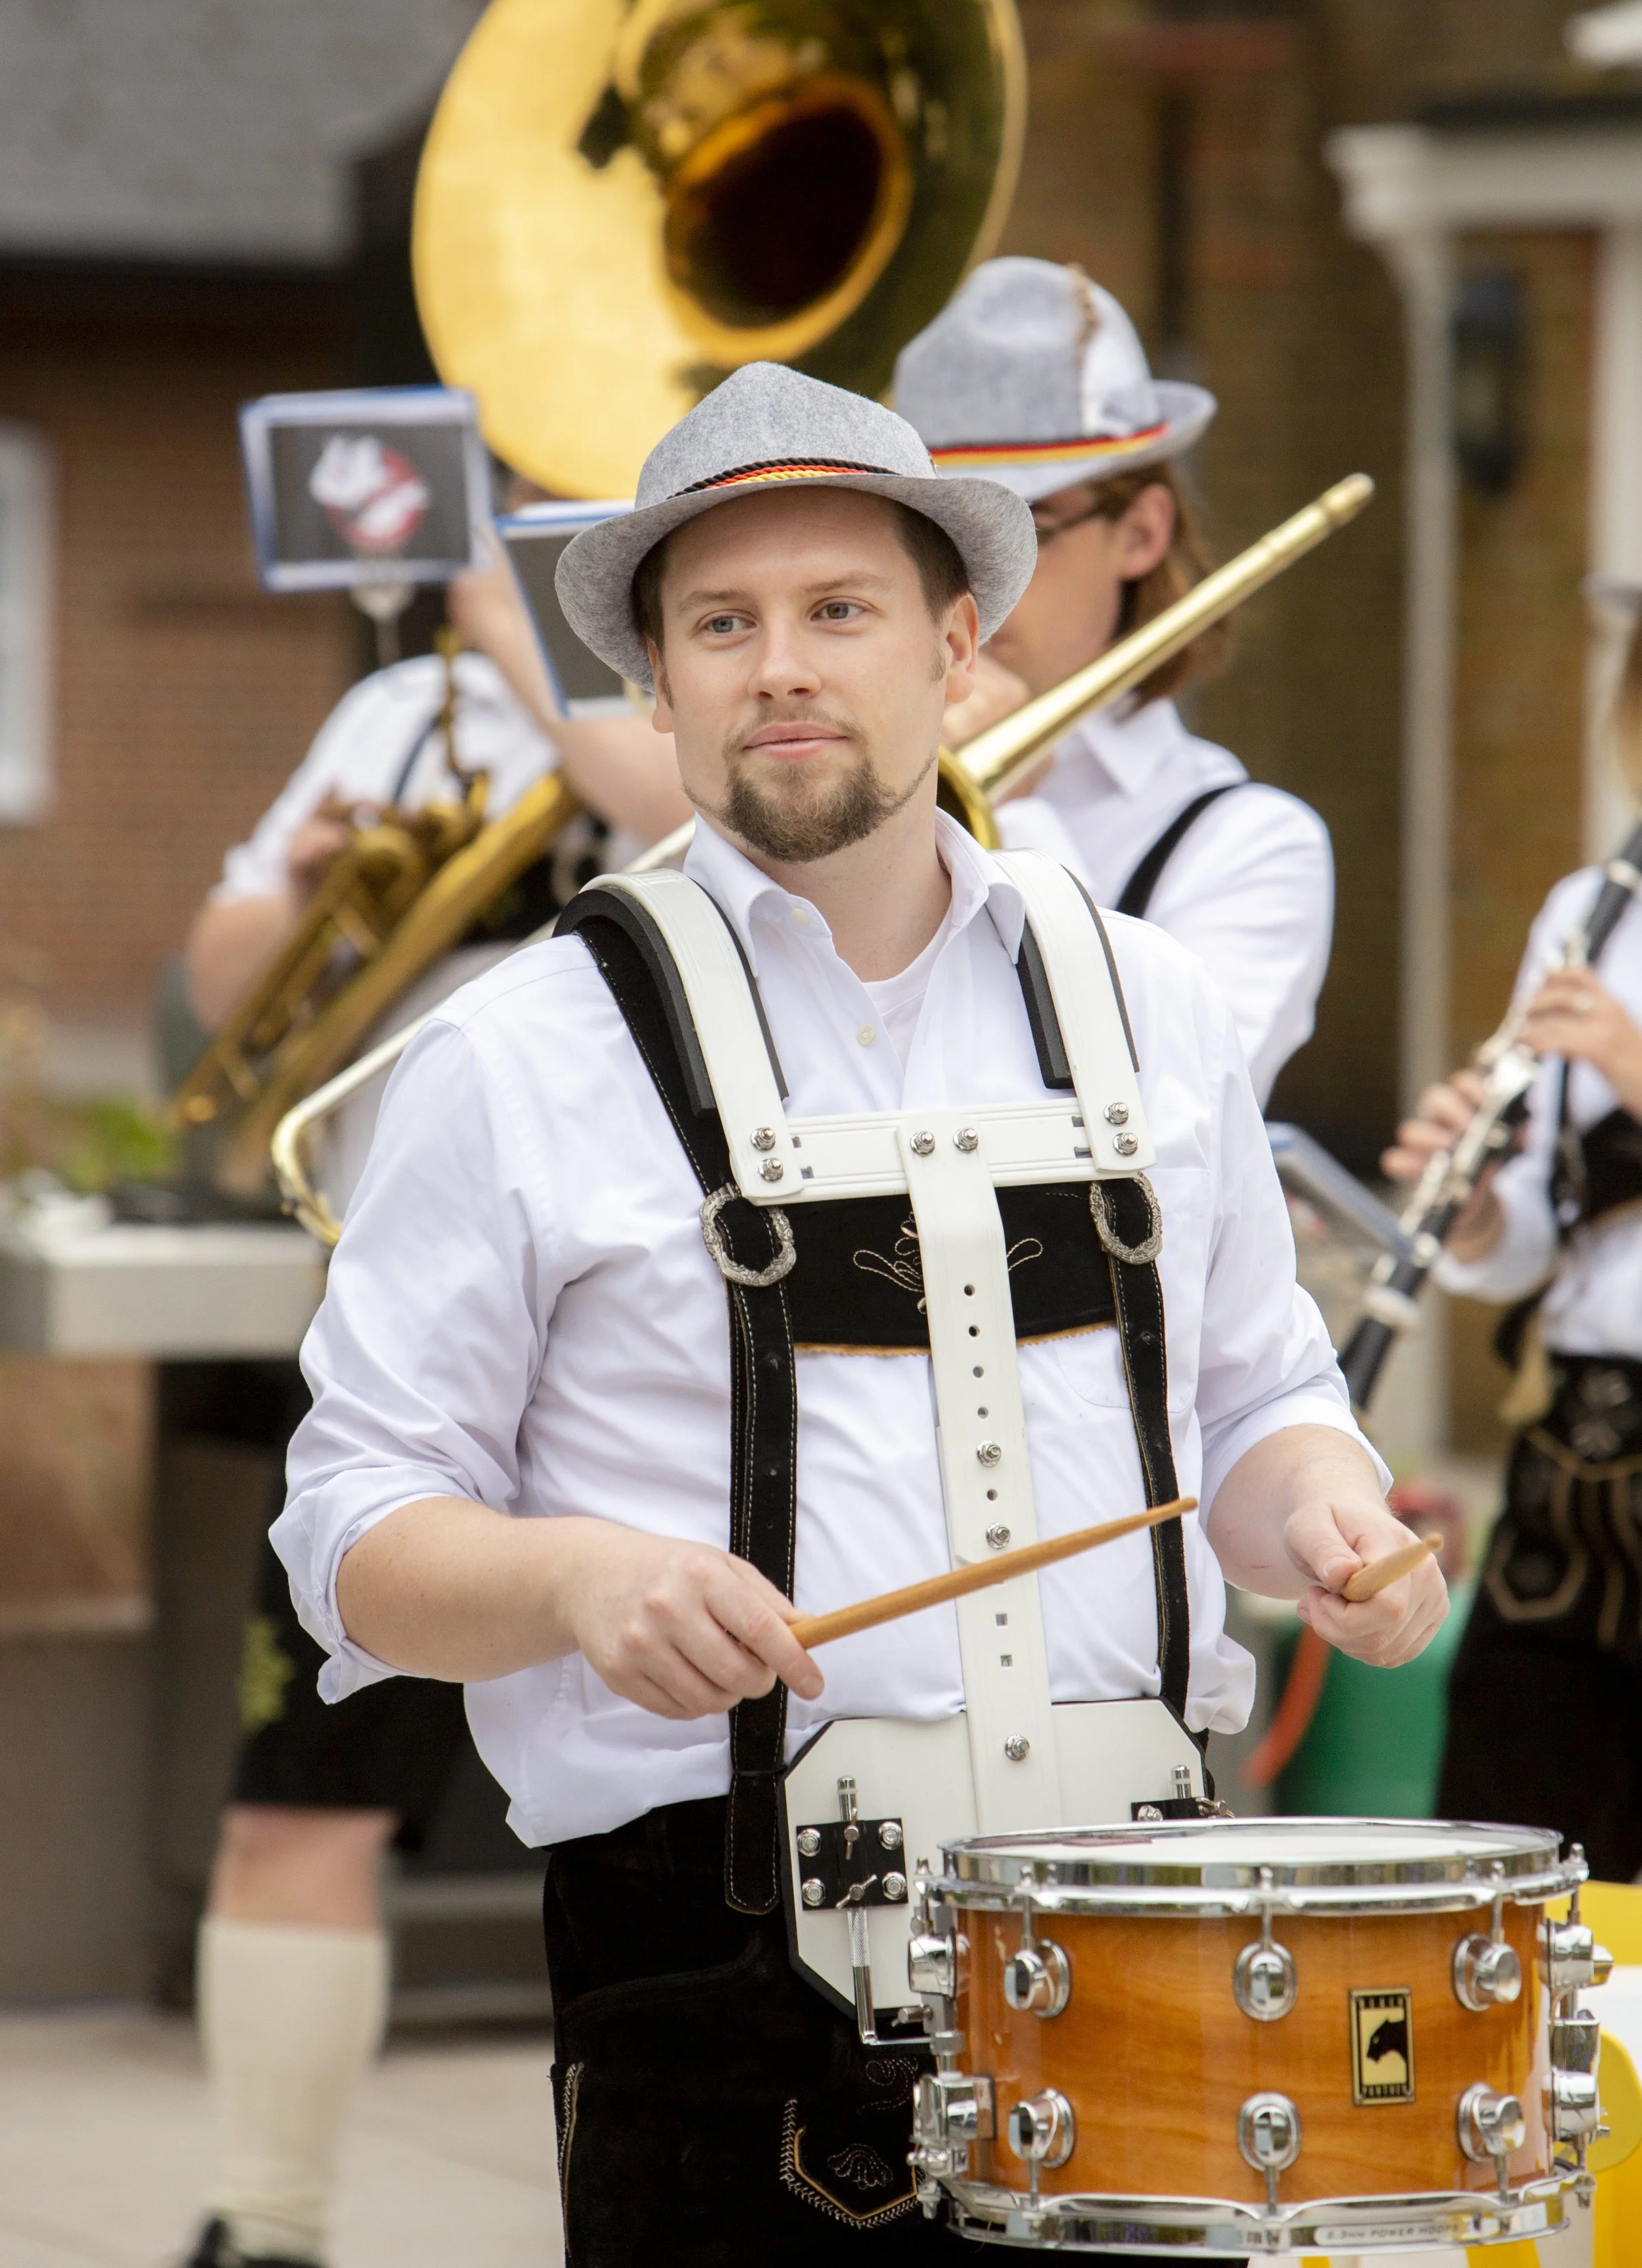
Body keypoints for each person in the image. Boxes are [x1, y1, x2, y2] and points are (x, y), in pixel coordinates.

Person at [272, 363, 1443, 2268]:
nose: (778, 665)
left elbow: (1252, 1404)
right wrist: (577, 1583)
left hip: (1141, 1931)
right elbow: (353, 1528)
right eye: (718, 624)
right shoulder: (509, 1055)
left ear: (957, 642)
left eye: (839, 610)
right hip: (713, 1990)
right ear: (653, 683)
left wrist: (1324, 1511)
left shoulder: (1158, 1005)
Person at [179, 553, 687, 2268]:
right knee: (293, 1786)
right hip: (410, 1293)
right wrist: (314, 893)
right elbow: (222, 976)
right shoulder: (401, 710)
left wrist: (533, 657)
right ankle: (267, 2217)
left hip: (654, 1297)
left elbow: (689, 802)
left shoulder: (685, 685)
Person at [1393, 524, 1642, 1883]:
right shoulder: (1589, 906)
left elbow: (1637, 1096)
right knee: (1499, 1878)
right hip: (1570, 1455)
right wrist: (1464, 1206)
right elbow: (1534, 1235)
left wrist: (1640, 1067)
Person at [893, 256, 1333, 1106]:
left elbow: (1168, 1122)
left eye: (1029, 529)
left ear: (1140, 532)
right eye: (938, 539)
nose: (972, 587)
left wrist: (999, 811)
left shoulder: (1249, 843)